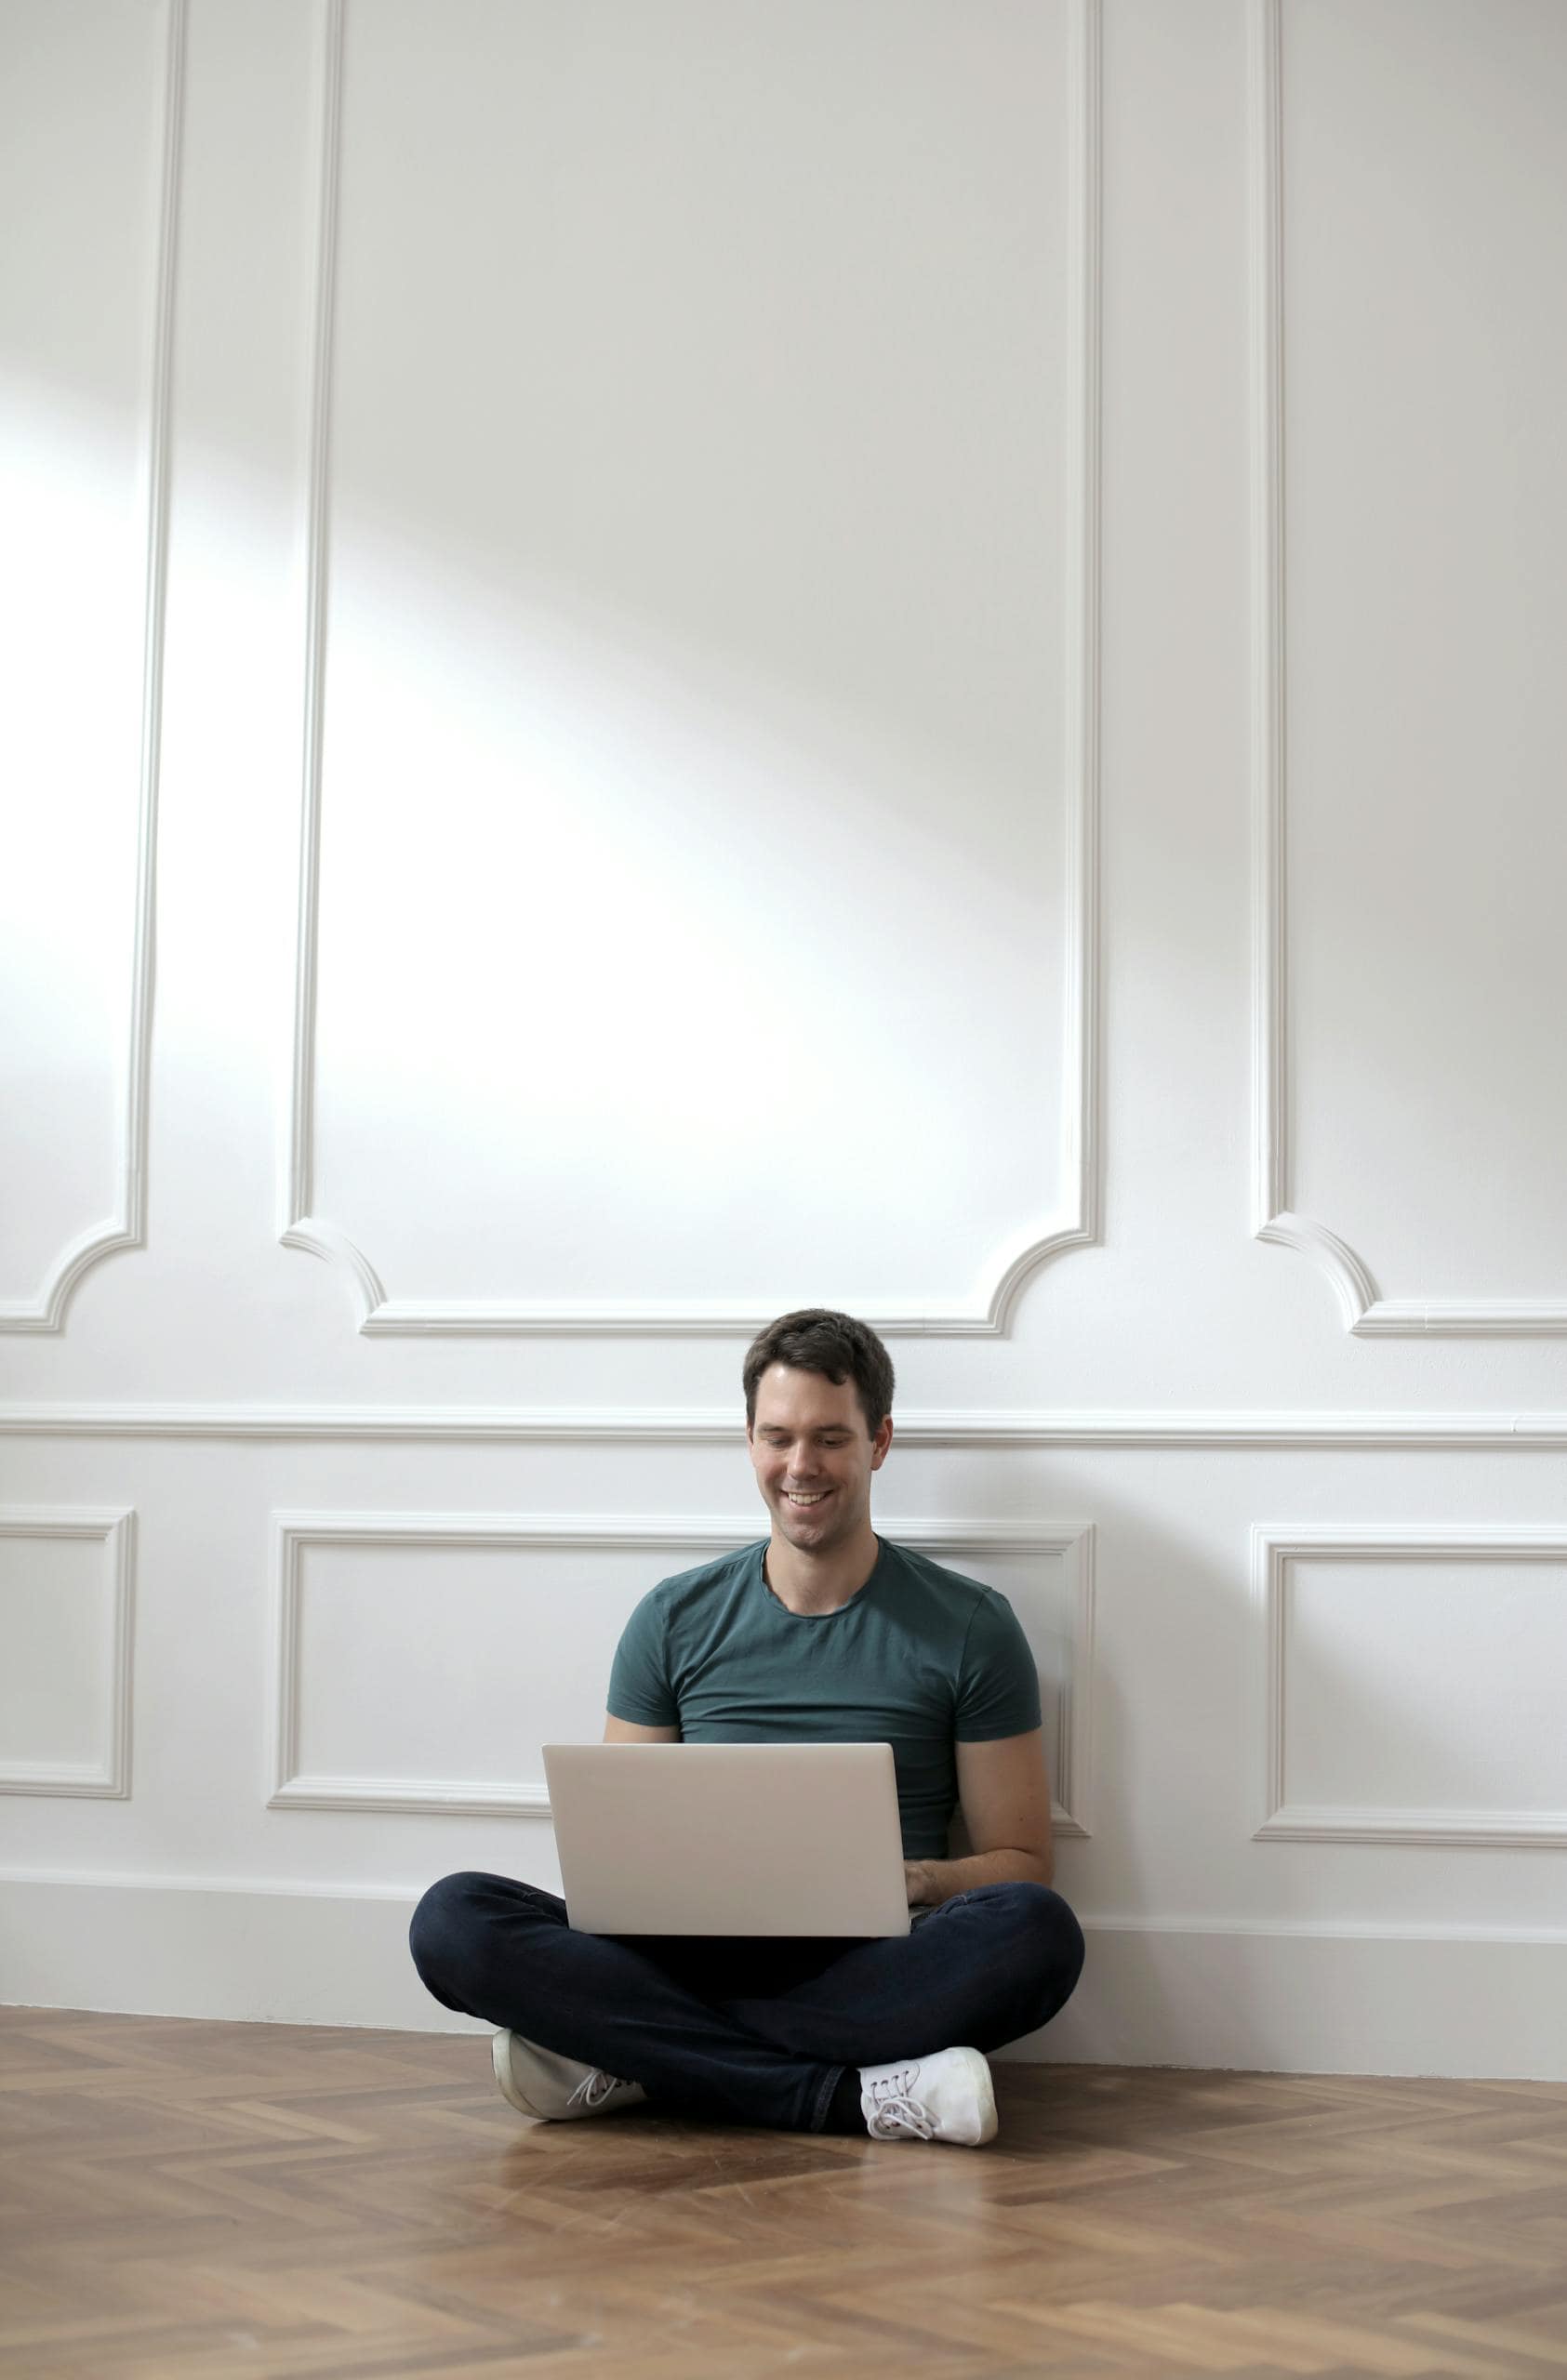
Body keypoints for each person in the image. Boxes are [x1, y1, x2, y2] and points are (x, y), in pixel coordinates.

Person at [409, 1308, 1084, 2147]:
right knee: (453, 1920)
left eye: (830, 1439)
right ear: (749, 1440)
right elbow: (622, 1858)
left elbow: (1022, 1865)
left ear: (878, 1442)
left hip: (873, 1959)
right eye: (778, 1437)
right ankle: (851, 2098)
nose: (800, 1466)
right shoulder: (672, 1617)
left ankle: (633, 2056)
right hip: (688, 1955)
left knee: (1035, 1934)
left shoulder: (970, 1625)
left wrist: (908, 1880)